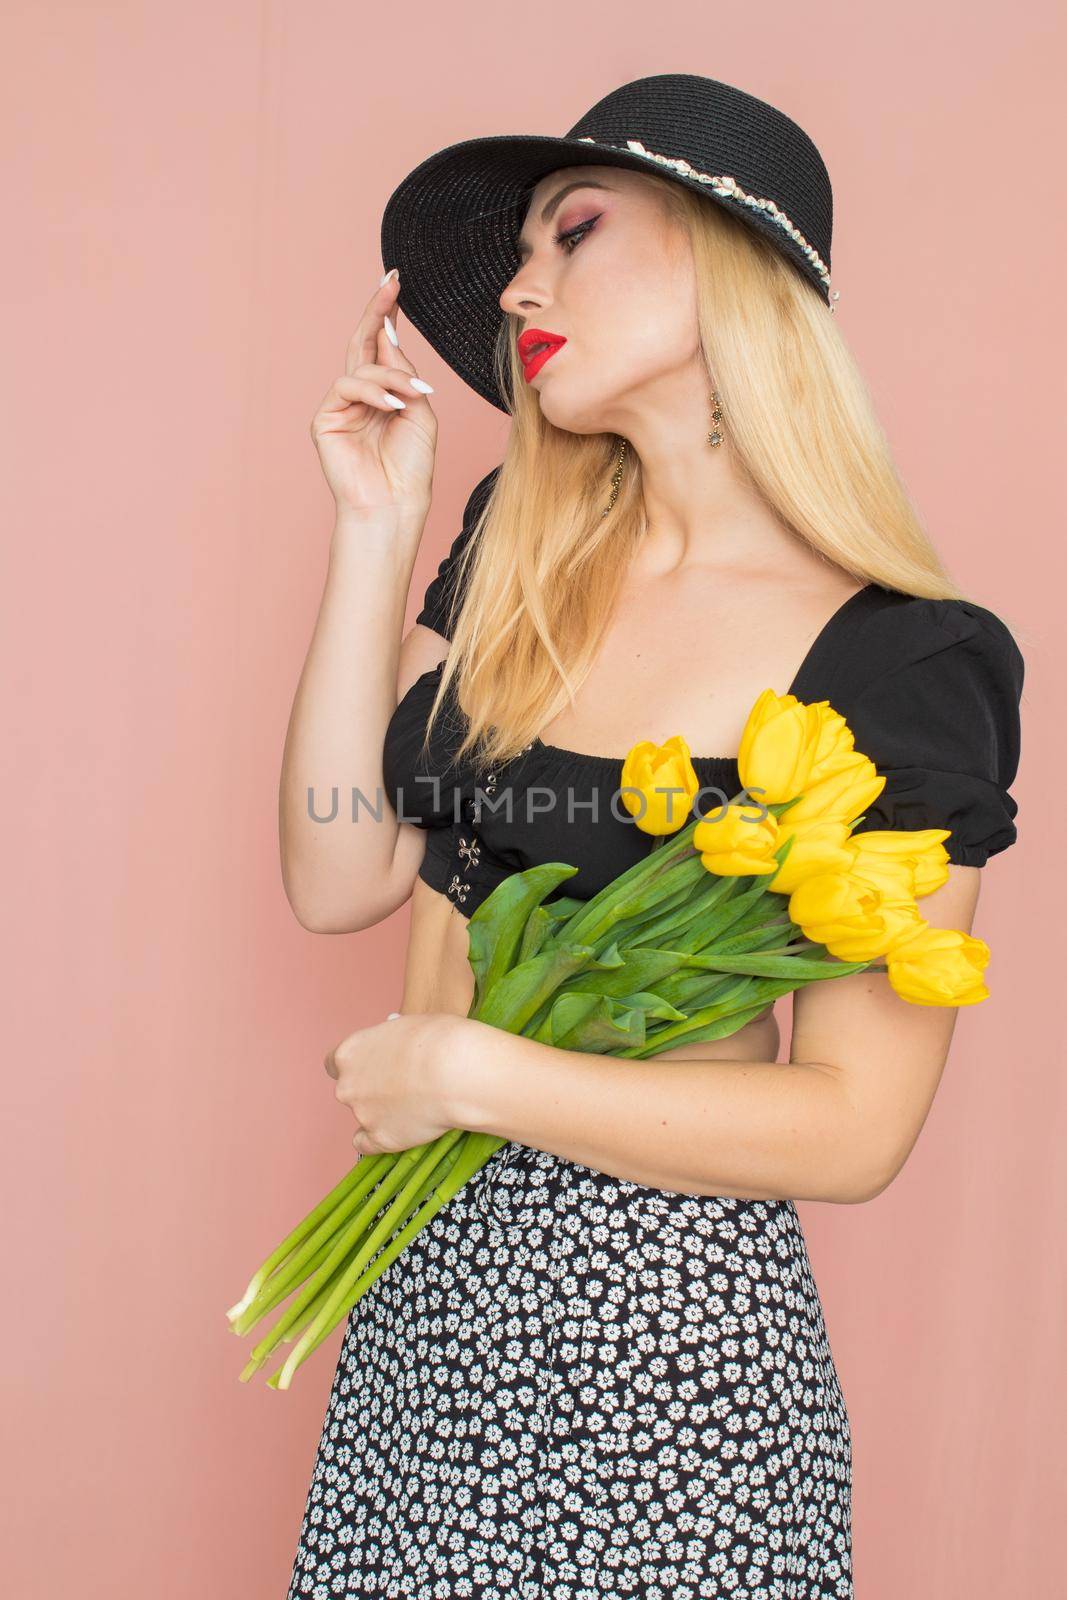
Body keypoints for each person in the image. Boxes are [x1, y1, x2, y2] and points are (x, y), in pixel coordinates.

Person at [280, 74, 1023, 1600]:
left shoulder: (904, 666)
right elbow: (336, 870)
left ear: (726, 259)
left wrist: (476, 1070)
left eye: (574, 230)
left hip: (669, 1358)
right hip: (422, 1302)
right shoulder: (518, 544)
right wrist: (377, 530)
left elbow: (852, 1126)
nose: (522, 286)